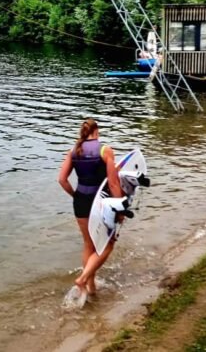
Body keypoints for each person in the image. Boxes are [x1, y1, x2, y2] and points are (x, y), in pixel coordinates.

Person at [57, 118, 123, 301]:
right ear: (97, 131)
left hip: (81, 202)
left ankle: (91, 287)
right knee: (107, 245)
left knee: (89, 244)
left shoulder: (73, 151)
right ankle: (83, 279)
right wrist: (120, 209)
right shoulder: (105, 150)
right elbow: (113, 183)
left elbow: (62, 180)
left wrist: (75, 196)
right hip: (101, 202)